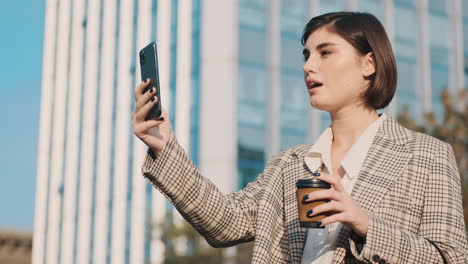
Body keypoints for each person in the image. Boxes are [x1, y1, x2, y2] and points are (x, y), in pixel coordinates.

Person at [132, 12, 468, 263]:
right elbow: (226, 223)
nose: (309, 66)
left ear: (369, 64)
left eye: (325, 52)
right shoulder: (290, 163)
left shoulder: (425, 155)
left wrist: (365, 224)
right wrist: (165, 146)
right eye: (306, 55)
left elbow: (451, 258)